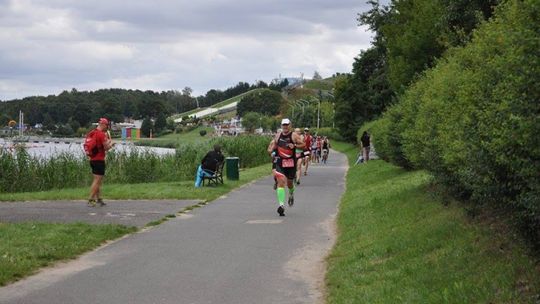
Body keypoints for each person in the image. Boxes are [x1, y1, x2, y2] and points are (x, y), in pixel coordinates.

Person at [267, 118, 305, 216]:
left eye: (287, 125)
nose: (285, 127)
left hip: (291, 163)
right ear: (281, 125)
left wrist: (295, 145)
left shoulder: (294, 135)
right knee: (281, 182)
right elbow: (273, 146)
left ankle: (291, 194)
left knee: (289, 184)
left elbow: (303, 145)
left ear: (290, 125)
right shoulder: (278, 135)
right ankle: (281, 205)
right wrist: (271, 151)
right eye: (283, 125)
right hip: (280, 163)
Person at [87, 118, 113, 207]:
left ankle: (99, 199)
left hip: (92, 159)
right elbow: (106, 147)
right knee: (97, 181)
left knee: (97, 180)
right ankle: (91, 199)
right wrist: (111, 144)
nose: (107, 127)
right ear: (103, 124)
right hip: (99, 160)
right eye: (107, 125)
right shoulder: (101, 135)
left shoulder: (92, 133)